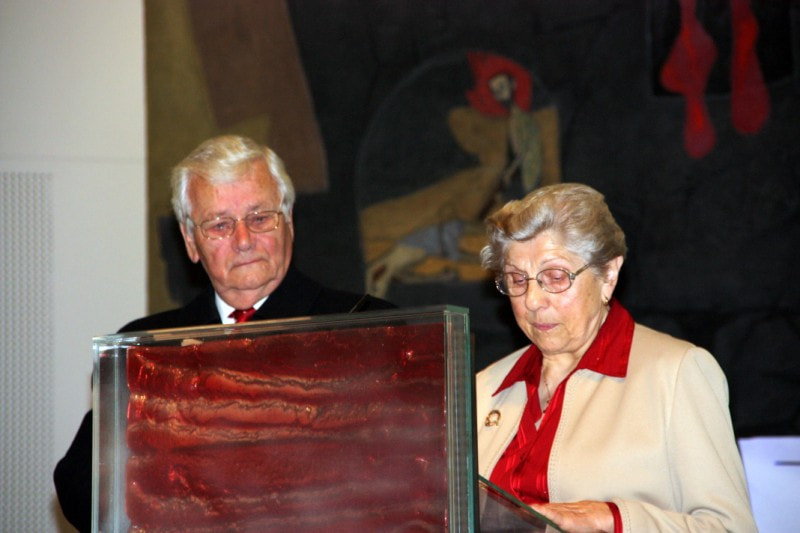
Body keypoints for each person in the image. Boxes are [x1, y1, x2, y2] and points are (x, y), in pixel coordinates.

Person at [53, 135, 393, 532]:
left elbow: (404, 482)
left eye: (260, 218)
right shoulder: (148, 348)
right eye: (220, 225)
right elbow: (81, 486)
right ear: (190, 242)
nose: (244, 240)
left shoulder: (367, 328)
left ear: (289, 221)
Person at [476, 183, 756, 532]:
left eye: (555, 277)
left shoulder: (677, 372)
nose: (532, 300)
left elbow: (730, 528)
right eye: (517, 280)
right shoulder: (482, 387)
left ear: (608, 275)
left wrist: (613, 518)